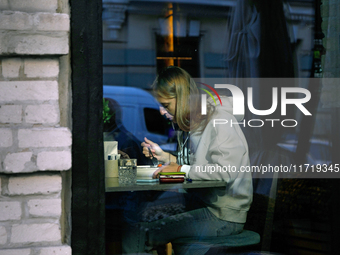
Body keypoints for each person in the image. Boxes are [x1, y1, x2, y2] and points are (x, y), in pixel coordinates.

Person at [122, 66, 253, 254]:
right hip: (201, 206)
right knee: (135, 219)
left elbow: (225, 173)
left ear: (183, 98)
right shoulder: (193, 123)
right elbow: (196, 166)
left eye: (165, 105)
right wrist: (165, 156)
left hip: (222, 216)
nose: (161, 111)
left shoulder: (220, 121)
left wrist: (179, 169)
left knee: (139, 232)